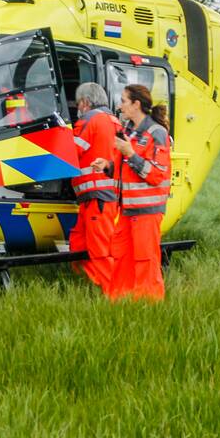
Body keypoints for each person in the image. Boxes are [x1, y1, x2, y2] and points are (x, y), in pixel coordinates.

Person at [93, 83, 171, 302]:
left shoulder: (157, 133)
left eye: (124, 101)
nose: (120, 106)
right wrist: (107, 166)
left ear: (136, 104)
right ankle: (119, 302)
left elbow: (156, 174)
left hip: (146, 211)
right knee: (121, 257)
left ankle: (149, 304)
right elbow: (126, 170)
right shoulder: (129, 131)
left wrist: (130, 153)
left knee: (146, 260)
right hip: (127, 209)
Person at [69, 82, 122, 293]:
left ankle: (113, 295)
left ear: (84, 102)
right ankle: (87, 288)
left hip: (96, 197)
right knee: (79, 243)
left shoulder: (88, 120)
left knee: (100, 250)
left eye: (78, 104)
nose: (77, 109)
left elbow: (71, 152)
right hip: (103, 197)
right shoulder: (115, 122)